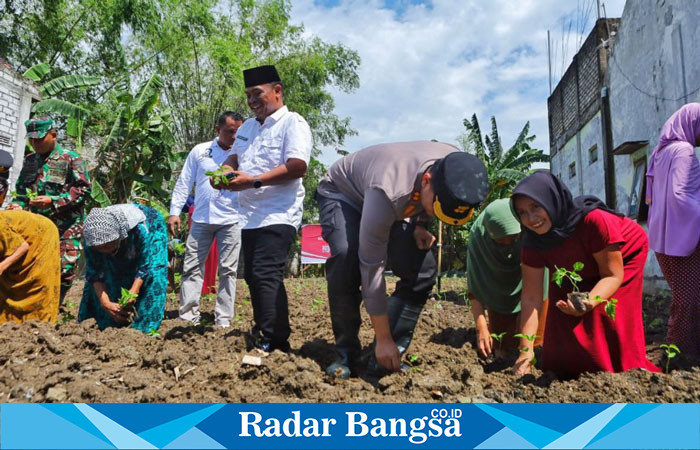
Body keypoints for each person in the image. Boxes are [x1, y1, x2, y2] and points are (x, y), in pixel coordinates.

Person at [315, 142, 489, 378]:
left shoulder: (454, 164)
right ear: (426, 181)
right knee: (347, 256)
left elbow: (425, 202)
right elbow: (371, 269)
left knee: (423, 270)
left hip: (398, 199)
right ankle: (347, 353)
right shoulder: (389, 192)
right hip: (344, 194)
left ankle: (386, 356)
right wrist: (383, 337)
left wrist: (420, 224)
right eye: (435, 209)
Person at [511, 171, 659, 377]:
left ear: (551, 200)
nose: (531, 218)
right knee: (560, 314)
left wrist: (590, 300)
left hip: (622, 257)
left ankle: (623, 370)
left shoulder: (593, 221)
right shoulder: (532, 242)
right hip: (573, 269)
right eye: (522, 212)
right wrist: (525, 353)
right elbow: (531, 298)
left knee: (604, 313)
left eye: (535, 207)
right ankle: (564, 370)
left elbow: (612, 276)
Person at [220, 65, 312, 352]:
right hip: (248, 216)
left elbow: (297, 167)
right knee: (252, 274)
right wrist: (223, 174)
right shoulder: (246, 127)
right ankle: (269, 330)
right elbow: (233, 160)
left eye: (257, 93)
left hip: (278, 212)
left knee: (265, 272)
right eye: (248, 95)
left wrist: (254, 181)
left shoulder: (293, 123)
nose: (252, 100)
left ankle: (273, 339)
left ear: (277, 91)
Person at [169, 111, 244, 327]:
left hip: (231, 218)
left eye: (238, 133)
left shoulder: (244, 153)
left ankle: (223, 319)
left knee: (228, 270)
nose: (234, 137)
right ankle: (188, 316)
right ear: (217, 130)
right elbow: (185, 182)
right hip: (202, 218)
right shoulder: (200, 151)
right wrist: (175, 211)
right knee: (192, 267)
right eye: (230, 132)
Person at [8, 116, 91, 300]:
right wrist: (19, 205)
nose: (35, 143)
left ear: (53, 135)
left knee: (64, 270)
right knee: (33, 265)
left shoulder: (71, 159)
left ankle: (55, 306)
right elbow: (22, 191)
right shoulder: (30, 160)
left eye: (39, 138)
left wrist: (53, 201)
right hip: (37, 225)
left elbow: (84, 189)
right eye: (31, 139)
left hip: (66, 227)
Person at [646, 103, 700, 359]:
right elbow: (680, 196)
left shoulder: (659, 153)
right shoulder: (684, 151)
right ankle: (680, 354)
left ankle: (681, 351)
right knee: (689, 299)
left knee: (685, 297)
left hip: (663, 239)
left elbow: (651, 199)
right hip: (684, 236)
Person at [466, 198, 548, 358]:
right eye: (500, 241)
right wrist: (481, 327)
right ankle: (503, 353)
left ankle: (535, 353)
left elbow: (538, 287)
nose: (507, 244)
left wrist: (527, 349)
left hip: (531, 273)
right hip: (497, 285)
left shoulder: (530, 231)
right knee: (503, 346)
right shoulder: (478, 238)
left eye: (512, 238)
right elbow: (474, 286)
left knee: (538, 343)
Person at [78, 204, 168, 333]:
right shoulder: (92, 239)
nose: (105, 249)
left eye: (109, 245)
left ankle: (144, 327)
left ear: (120, 236)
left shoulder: (140, 231)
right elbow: (94, 272)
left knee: (155, 272)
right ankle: (106, 324)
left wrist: (132, 292)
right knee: (110, 271)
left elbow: (145, 266)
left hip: (150, 225)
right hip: (113, 238)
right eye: (101, 247)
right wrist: (105, 302)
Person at [0, 150, 61, 324]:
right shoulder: (29, 161)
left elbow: (21, 247)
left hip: (41, 237)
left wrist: (2, 266)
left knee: (37, 295)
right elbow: (20, 195)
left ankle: (38, 332)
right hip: (23, 231)